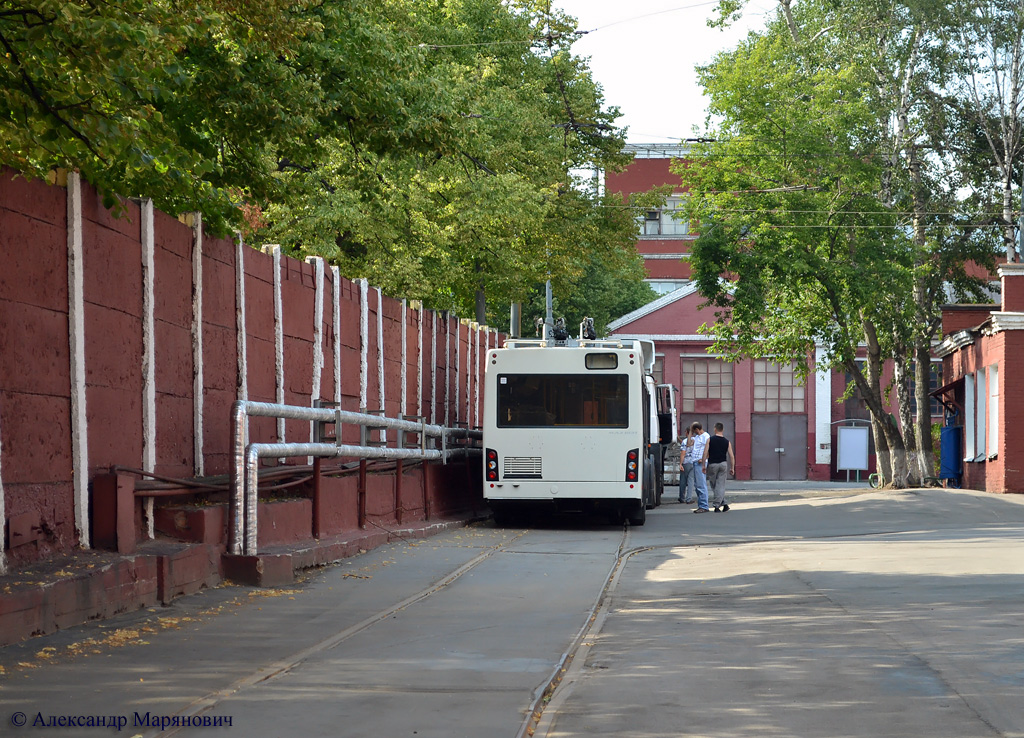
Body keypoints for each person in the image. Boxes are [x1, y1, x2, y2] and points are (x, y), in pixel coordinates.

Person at [702, 422, 736, 512]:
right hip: (723, 464)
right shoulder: (727, 442)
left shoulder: (710, 440)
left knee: (714, 485)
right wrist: (732, 468)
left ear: (715, 429)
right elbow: (731, 456)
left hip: (713, 464)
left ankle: (716, 505)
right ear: (722, 429)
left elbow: (705, 453)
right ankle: (724, 504)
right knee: (720, 485)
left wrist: (703, 465)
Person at [689, 422, 711, 513]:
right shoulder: (697, 437)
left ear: (697, 429)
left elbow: (708, 449)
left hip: (700, 462)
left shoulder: (706, 436)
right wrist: (690, 432)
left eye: (694, 431)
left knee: (701, 484)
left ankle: (704, 505)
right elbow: (688, 443)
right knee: (697, 485)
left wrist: (703, 459)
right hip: (695, 461)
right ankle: (701, 505)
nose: (694, 433)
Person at [678, 424, 697, 503]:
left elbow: (683, 453)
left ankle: (682, 497)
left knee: (683, 480)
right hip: (693, 462)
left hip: (686, 462)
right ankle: (689, 498)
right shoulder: (696, 440)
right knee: (691, 481)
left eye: (685, 431)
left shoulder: (685, 441)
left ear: (687, 432)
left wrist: (680, 463)